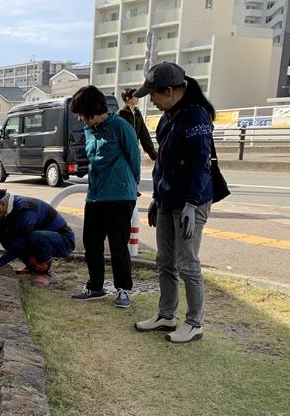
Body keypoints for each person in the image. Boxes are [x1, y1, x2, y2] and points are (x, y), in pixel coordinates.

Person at [132, 62, 214, 343]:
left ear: (169, 91)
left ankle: (195, 323)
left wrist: (192, 204)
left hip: (190, 202)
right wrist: (156, 197)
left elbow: (202, 165)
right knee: (165, 260)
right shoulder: (168, 117)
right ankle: (167, 315)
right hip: (167, 199)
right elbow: (162, 165)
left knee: (188, 262)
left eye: (153, 94)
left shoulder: (196, 118)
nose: (151, 100)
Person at [68, 85, 140, 308]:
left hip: (119, 195)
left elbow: (134, 157)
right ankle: (96, 286)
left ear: (92, 110)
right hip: (96, 195)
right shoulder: (90, 130)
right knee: (91, 243)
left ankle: (123, 290)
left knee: (118, 245)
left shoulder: (120, 126)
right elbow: (93, 158)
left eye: (82, 114)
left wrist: (131, 185)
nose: (80, 119)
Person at [0, 186, 75, 287]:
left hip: (63, 240)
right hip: (37, 238)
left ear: (2, 204)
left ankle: (45, 272)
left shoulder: (25, 209)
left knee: (36, 237)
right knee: (3, 233)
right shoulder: (2, 213)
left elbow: (21, 242)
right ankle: (32, 267)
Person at [118, 88, 158, 161]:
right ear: (128, 98)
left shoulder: (137, 114)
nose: (138, 98)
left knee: (135, 170)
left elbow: (144, 133)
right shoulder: (121, 114)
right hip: (122, 152)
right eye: (135, 96)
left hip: (134, 149)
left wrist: (152, 153)